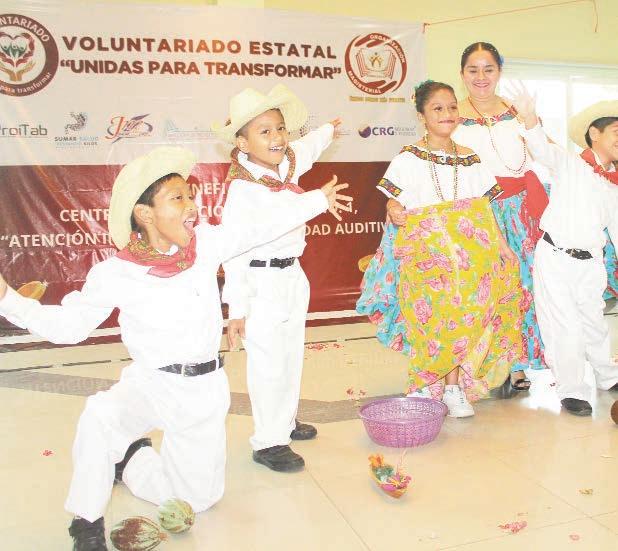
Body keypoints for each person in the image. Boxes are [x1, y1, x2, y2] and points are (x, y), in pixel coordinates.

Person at [0, 145, 350, 550]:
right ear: (145, 213)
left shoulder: (206, 246)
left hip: (203, 391)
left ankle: (132, 459)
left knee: (199, 501)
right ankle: (86, 522)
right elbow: (68, 326)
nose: (191, 206)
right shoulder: (117, 273)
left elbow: (258, 227)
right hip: (150, 384)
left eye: (190, 195)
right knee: (100, 416)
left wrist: (316, 200)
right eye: (177, 198)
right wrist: (8, 299)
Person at [357, 80, 524, 418]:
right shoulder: (407, 158)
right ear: (421, 115)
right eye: (437, 108)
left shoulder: (471, 158)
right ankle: (426, 380)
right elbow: (393, 202)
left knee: (461, 319)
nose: (447, 114)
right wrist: (395, 210)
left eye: (451, 107)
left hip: (468, 259)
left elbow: (485, 209)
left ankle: (452, 388)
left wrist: (503, 245)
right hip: (427, 256)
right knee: (430, 319)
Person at [213, 84, 351, 472]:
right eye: (264, 131)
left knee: (290, 356)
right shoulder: (243, 189)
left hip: (291, 276)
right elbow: (244, 244)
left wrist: (327, 131)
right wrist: (236, 309)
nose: (276, 138)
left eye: (279, 128)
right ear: (242, 143)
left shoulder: (284, 164)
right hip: (261, 284)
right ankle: (269, 442)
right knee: (269, 364)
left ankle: (285, 421)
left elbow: (304, 150)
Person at [510, 89, 618, 415]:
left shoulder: (614, 181)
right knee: (565, 327)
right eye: (617, 131)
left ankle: (608, 376)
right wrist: (529, 117)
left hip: (592, 261)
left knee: (594, 321)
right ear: (594, 133)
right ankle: (572, 390)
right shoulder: (570, 163)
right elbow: (542, 149)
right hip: (556, 257)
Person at [453, 41, 551, 393]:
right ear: (462, 73)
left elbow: (547, 154)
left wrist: (531, 119)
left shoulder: (519, 112)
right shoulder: (451, 115)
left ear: (499, 72)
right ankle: (483, 364)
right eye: (473, 69)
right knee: (484, 290)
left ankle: (517, 364)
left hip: (521, 213)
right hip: (477, 213)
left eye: (488, 69)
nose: (481, 77)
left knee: (523, 287)